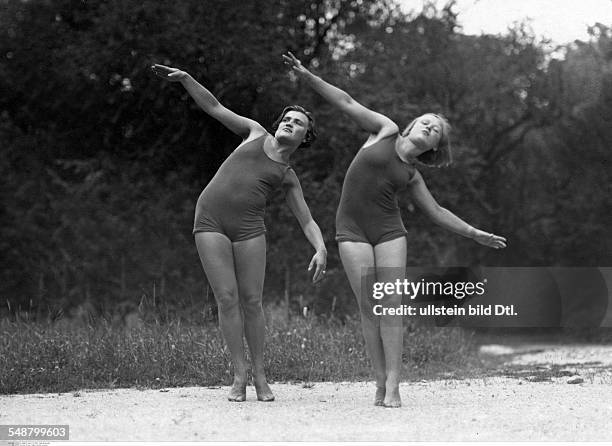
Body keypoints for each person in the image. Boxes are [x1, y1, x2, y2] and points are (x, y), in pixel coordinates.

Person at [283, 52, 506, 408]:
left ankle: (394, 384)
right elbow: (345, 101)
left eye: (436, 130)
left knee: (391, 304)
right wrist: (309, 77)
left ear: (433, 147)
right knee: (370, 307)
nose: (430, 127)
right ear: (411, 125)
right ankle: (378, 380)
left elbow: (436, 211)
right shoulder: (383, 130)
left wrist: (474, 232)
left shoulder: (412, 174)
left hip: (389, 233)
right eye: (427, 122)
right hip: (351, 230)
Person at [152, 63, 327, 402]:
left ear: (304, 137)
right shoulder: (254, 131)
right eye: (287, 119)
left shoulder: (287, 175)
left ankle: (261, 374)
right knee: (227, 298)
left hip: (249, 229)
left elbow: (306, 219)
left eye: (298, 123)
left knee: (252, 300)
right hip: (210, 220)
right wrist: (187, 79)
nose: (289, 123)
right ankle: (239, 374)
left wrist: (320, 248)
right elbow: (214, 107)